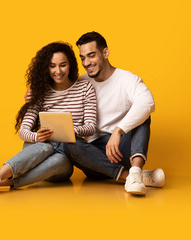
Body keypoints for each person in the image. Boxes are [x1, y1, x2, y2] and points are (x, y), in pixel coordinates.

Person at [25, 32, 165, 196]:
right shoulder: (81, 82)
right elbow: (59, 94)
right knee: (68, 140)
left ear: (105, 53)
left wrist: (118, 131)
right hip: (92, 158)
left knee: (143, 115)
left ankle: (135, 171)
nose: (86, 63)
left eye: (91, 56)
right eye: (82, 58)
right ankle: (133, 177)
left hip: (122, 147)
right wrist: (35, 94)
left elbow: (147, 103)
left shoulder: (128, 79)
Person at [0, 42, 97, 197]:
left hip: (63, 158)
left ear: (71, 65)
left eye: (63, 65)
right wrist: (36, 136)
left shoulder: (85, 88)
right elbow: (23, 131)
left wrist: (69, 130)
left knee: (59, 159)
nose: (57, 71)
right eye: (52, 66)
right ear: (46, 67)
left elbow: (91, 126)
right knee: (46, 147)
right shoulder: (40, 91)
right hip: (38, 150)